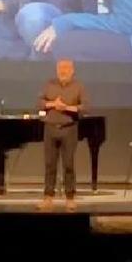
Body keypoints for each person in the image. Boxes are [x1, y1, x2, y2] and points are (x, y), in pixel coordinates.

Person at [37, 58, 87, 211]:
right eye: (60, 68)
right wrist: (52, 104)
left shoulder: (79, 86)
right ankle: (48, 198)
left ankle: (70, 198)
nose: (63, 71)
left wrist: (67, 107)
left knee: (68, 165)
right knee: (50, 165)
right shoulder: (49, 84)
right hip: (50, 128)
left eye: (66, 68)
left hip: (69, 129)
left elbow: (85, 107)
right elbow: (39, 102)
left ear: (72, 70)